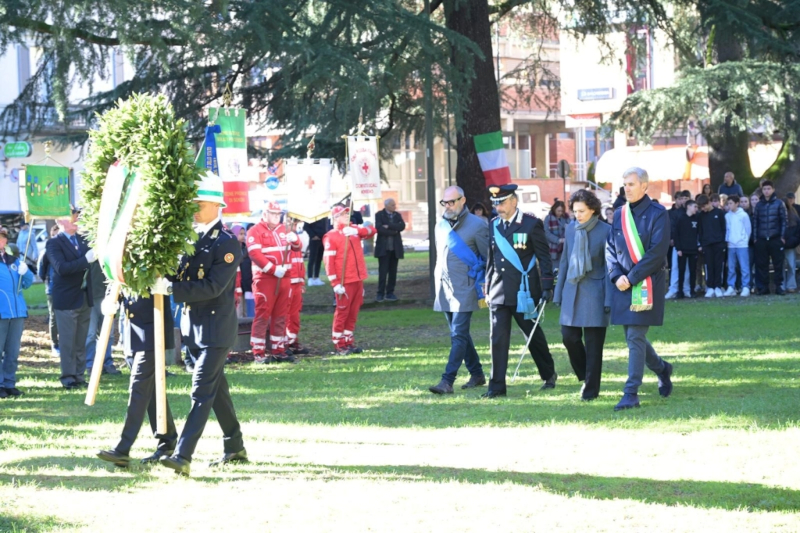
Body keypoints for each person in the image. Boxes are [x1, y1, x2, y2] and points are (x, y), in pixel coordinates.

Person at [157, 172, 246, 477]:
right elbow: (177, 276)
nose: (193, 207)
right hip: (192, 327)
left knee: (201, 390)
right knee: (216, 390)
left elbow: (212, 287)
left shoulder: (226, 243)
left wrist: (170, 290)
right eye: (192, 202)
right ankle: (235, 446)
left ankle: (182, 455)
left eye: (199, 202)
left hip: (216, 329)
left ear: (216, 205)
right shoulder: (189, 239)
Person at [605, 167, 673, 411]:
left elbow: (657, 252)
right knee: (634, 337)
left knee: (635, 336)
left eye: (632, 184)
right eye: (625, 184)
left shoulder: (658, 213)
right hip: (622, 284)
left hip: (646, 284)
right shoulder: (619, 213)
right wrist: (615, 276)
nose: (627, 188)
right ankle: (663, 369)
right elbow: (610, 248)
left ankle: (631, 392)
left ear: (645, 186)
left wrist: (631, 277)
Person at [482, 184, 556, 398]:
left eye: (502, 202)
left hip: (524, 291)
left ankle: (548, 373)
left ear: (514, 201)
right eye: (496, 203)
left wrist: (547, 286)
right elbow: (491, 259)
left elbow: (544, 257)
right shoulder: (493, 225)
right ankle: (496, 387)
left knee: (533, 336)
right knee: (497, 338)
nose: (499, 207)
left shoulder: (531, 224)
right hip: (498, 290)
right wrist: (487, 288)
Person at [96, 294, 178, 467]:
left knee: (139, 387)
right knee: (152, 390)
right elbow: (118, 276)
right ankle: (167, 442)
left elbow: (169, 275)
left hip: (153, 327)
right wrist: (111, 297)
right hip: (133, 330)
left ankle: (122, 448)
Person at [428, 186, 489, 394]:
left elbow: (486, 259)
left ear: (463, 201)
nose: (448, 206)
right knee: (460, 334)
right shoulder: (440, 226)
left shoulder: (478, 225)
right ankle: (477, 373)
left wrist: (482, 284)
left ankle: (447, 381)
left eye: (452, 202)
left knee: (458, 334)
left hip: (466, 287)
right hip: (444, 287)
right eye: (444, 202)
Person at [553, 190, 611, 401]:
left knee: (595, 346)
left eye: (582, 211)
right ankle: (586, 375)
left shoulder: (606, 231)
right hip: (572, 289)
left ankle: (590, 390)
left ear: (593, 209)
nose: (577, 215)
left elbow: (609, 267)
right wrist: (558, 292)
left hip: (596, 292)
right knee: (569, 337)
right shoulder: (570, 228)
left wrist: (608, 299)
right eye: (575, 211)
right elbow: (565, 261)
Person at [46, 207, 97, 390]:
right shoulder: (54, 243)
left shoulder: (82, 239)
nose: (76, 219)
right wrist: (85, 260)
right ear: (60, 222)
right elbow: (62, 268)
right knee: (68, 342)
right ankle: (68, 377)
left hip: (84, 297)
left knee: (81, 341)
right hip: (66, 299)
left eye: (76, 216)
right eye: (72, 217)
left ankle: (79, 375)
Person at [247, 201, 301, 363]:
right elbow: (255, 254)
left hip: (284, 278)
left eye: (279, 214)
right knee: (263, 314)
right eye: (273, 213)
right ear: (265, 214)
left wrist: (295, 240)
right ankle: (258, 352)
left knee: (281, 315)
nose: (277, 217)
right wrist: (272, 269)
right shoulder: (254, 231)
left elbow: (298, 249)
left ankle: (279, 348)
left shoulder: (285, 230)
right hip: (265, 279)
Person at [323, 204, 377, 355]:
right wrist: (334, 283)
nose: (347, 216)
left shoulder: (353, 230)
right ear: (336, 218)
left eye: (347, 214)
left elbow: (372, 231)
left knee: (353, 312)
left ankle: (348, 341)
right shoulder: (331, 236)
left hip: (357, 279)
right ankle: (339, 343)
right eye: (343, 214)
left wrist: (357, 230)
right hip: (344, 281)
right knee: (342, 312)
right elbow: (329, 262)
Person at [0, 227, 34, 399]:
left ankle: (9, 383)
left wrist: (26, 272)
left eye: (2, 237)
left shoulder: (13, 261)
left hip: (17, 312)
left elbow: (27, 283)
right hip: (1, 313)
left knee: (12, 352)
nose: (0, 240)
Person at [85, 261, 121, 375]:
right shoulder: (88, 249)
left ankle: (107, 363)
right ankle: (89, 364)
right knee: (90, 334)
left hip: (108, 296)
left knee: (108, 334)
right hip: (91, 298)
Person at [753, 180, 787, 295]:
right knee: (762, 264)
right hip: (762, 239)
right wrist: (755, 238)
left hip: (775, 238)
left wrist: (782, 236)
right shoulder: (759, 205)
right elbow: (755, 222)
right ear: (762, 190)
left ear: (773, 190)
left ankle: (779, 287)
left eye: (768, 189)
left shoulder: (779, 203)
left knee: (778, 264)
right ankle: (764, 288)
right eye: (764, 189)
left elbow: (784, 221)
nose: (766, 191)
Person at [284, 216, 310, 355]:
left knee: (294, 315)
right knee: (285, 314)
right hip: (287, 280)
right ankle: (283, 342)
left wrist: (301, 281)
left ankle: (292, 340)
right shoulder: (281, 237)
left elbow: (300, 262)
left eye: (295, 222)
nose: (294, 224)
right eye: (291, 222)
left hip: (296, 281)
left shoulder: (295, 238)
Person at [374, 198, 405, 302]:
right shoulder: (379, 215)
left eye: (394, 205)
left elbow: (402, 226)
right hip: (384, 249)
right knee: (383, 272)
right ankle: (380, 293)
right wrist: (394, 232)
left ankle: (390, 293)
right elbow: (379, 229)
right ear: (386, 206)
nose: (394, 206)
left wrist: (389, 226)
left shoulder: (397, 215)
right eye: (392, 205)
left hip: (395, 249)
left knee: (393, 272)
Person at [696, 194, 726, 297]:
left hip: (718, 243)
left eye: (704, 206)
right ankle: (710, 287)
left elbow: (723, 228)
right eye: (701, 208)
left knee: (718, 265)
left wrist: (722, 242)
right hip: (707, 244)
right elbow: (700, 230)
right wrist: (702, 243)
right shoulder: (701, 215)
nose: (703, 209)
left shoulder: (719, 213)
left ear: (709, 203)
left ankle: (718, 286)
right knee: (708, 266)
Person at [37, 224, 60, 357]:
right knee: (54, 316)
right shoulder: (46, 252)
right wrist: (48, 281)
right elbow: (41, 270)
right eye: (54, 235)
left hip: (65, 289)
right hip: (52, 288)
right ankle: (54, 343)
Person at [723, 195, 751, 297]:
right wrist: (728, 240)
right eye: (728, 203)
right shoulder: (727, 216)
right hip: (731, 244)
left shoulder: (743, 215)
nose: (729, 205)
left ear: (736, 203)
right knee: (731, 267)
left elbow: (748, 229)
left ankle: (746, 286)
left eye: (731, 203)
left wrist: (744, 240)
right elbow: (727, 229)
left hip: (742, 244)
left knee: (744, 266)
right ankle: (731, 286)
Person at [665, 191, 691, 299]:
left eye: (685, 198)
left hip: (688, 243)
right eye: (681, 198)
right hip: (677, 243)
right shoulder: (673, 213)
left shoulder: (690, 212)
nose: (683, 201)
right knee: (675, 266)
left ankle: (686, 288)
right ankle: (673, 288)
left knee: (687, 267)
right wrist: (671, 238)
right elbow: (671, 226)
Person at [673, 199, 700, 298]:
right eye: (695, 207)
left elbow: (698, 233)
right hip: (683, 250)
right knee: (681, 270)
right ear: (688, 206)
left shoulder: (696, 218)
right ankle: (680, 291)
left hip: (693, 249)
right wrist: (678, 248)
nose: (696, 209)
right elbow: (677, 234)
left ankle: (692, 290)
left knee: (693, 270)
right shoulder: (681, 219)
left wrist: (698, 246)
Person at [231, 225, 254, 318]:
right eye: (240, 234)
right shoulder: (231, 249)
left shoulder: (246, 249)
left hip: (247, 281)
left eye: (244, 234)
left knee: (247, 306)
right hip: (237, 283)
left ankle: (246, 325)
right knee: (238, 307)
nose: (243, 236)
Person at [782, 198, 800, 293]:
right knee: (780, 266)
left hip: (790, 245)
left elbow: (797, 234)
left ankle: (791, 285)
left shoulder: (794, 218)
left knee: (791, 265)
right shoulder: (776, 217)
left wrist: (790, 242)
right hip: (779, 245)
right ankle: (781, 285)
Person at [305, 218, 329, 286]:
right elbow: (306, 227)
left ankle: (316, 277)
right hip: (314, 239)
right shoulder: (312, 216)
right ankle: (310, 278)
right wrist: (313, 235)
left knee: (319, 259)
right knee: (312, 259)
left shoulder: (324, 216)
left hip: (322, 238)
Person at [544, 201, 568, 267]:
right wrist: (558, 240)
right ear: (554, 209)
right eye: (558, 211)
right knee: (555, 268)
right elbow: (547, 233)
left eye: (561, 211)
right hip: (553, 248)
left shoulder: (566, 218)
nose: (560, 213)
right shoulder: (548, 218)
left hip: (564, 247)